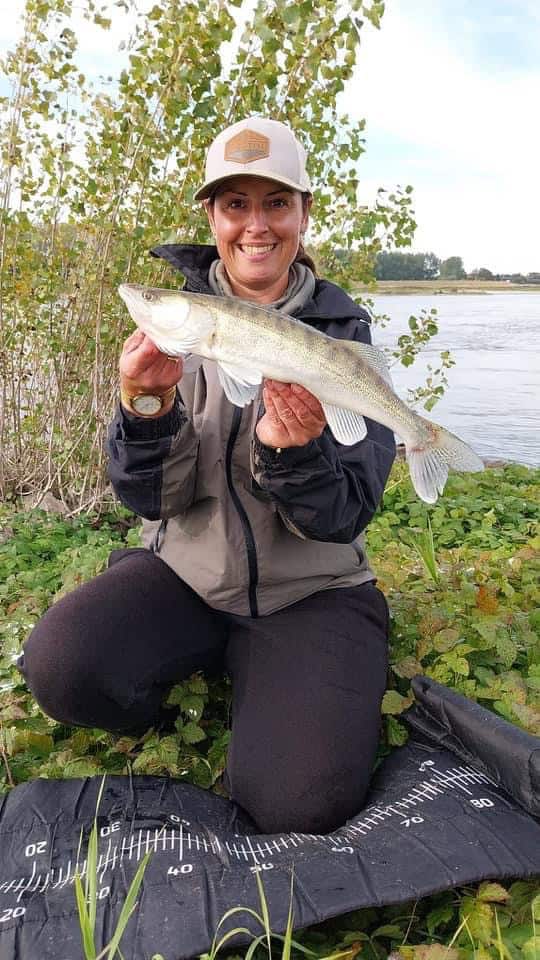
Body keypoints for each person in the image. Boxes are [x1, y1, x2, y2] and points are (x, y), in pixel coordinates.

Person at [18, 117, 396, 835]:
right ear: (212, 217)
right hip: (187, 578)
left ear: (304, 213)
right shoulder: (184, 329)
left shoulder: (344, 333)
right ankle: (186, 675)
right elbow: (149, 497)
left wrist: (296, 452)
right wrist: (147, 403)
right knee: (62, 666)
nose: (256, 225)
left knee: (301, 802)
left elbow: (342, 518)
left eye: (276, 202)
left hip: (311, 594)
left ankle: (277, 676)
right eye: (235, 204)